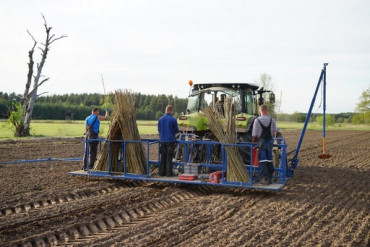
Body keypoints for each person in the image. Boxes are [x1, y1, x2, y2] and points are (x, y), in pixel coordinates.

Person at [252, 105, 277, 184]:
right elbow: (274, 132)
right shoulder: (272, 120)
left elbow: (254, 134)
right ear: (267, 111)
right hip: (269, 141)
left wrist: (253, 141)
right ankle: (270, 176)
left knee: (263, 159)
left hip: (261, 141)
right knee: (269, 158)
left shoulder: (257, 120)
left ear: (260, 111)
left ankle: (265, 178)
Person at [158, 105, 179, 176]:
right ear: (171, 110)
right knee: (169, 157)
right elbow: (176, 130)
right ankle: (168, 173)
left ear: (165, 110)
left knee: (163, 157)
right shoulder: (173, 120)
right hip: (170, 141)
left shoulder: (160, 119)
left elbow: (159, 130)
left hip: (162, 140)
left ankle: (161, 172)